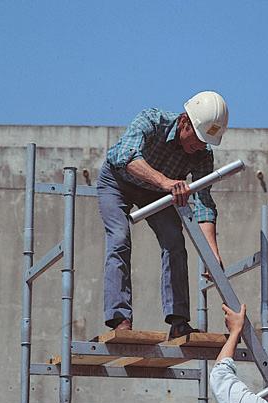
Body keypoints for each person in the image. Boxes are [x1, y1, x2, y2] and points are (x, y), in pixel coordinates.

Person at [97, 91, 228, 338]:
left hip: (157, 193)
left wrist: (212, 253)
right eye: (197, 138)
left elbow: (203, 202)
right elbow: (126, 157)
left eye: (205, 142)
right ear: (184, 122)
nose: (199, 146)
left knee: (174, 242)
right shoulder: (151, 121)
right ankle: (120, 319)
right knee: (119, 239)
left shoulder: (202, 154)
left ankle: (178, 321)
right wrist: (165, 182)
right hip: (118, 182)